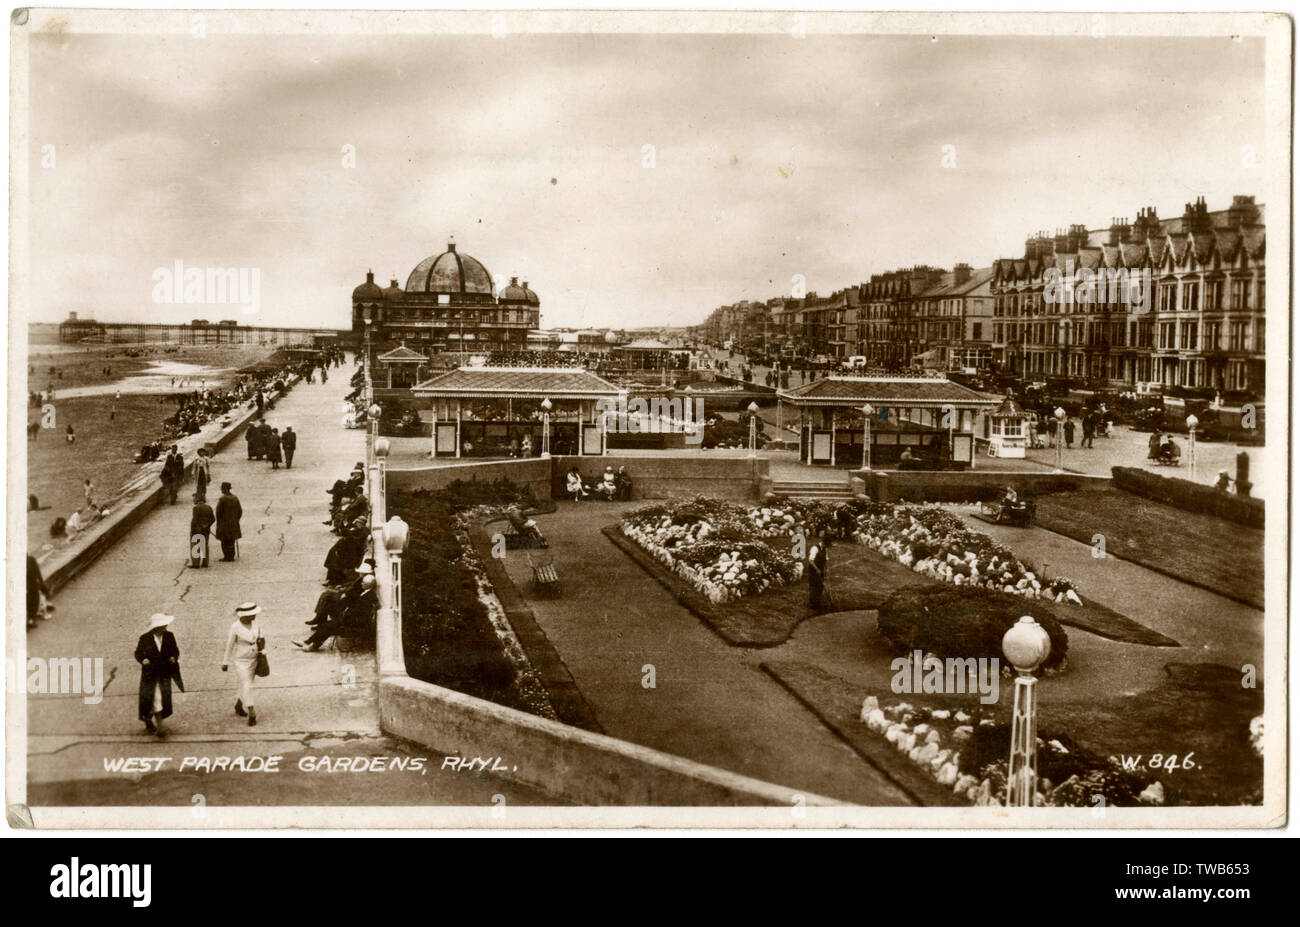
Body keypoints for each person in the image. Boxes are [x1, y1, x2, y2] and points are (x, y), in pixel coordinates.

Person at [294, 575, 378, 651]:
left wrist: (344, 620)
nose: (361, 584)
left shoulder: (367, 598)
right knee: (327, 624)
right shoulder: (367, 593)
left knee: (328, 626)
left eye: (364, 583)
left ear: (369, 585)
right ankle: (308, 642)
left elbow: (360, 617)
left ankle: (312, 646)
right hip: (350, 622)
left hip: (354, 626)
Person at [135, 613, 183, 737]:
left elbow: (175, 650)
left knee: (160, 698)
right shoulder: (145, 638)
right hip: (150, 674)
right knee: (155, 698)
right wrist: (143, 659)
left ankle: (149, 718)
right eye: (162, 625)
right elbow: (138, 653)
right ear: (155, 627)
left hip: (164, 673)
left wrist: (174, 657)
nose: (165, 627)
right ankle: (160, 727)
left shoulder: (169, 636)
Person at [221, 602, 263, 727]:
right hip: (241, 661)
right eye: (252, 614)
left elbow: (261, 638)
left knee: (247, 684)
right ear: (244, 615)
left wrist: (262, 653)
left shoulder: (256, 624)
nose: (254, 616)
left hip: (254, 658)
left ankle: (239, 704)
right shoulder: (235, 627)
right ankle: (252, 712)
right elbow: (230, 645)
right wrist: (225, 662)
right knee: (247, 685)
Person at [215, 482, 242, 561]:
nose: (221, 490)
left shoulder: (222, 499)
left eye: (222, 488)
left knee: (224, 540)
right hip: (234, 523)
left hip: (224, 523)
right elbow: (240, 511)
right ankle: (231, 555)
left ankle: (227, 556)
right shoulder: (235, 498)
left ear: (224, 489)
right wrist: (236, 519)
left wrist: (219, 522)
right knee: (232, 539)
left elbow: (218, 512)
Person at [807, 534, 832, 611]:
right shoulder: (815, 548)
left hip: (821, 569)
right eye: (826, 544)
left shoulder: (825, 549)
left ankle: (817, 602)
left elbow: (826, 560)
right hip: (813, 570)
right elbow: (810, 560)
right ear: (823, 542)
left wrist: (826, 569)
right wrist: (817, 569)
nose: (827, 546)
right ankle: (812, 604)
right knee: (814, 586)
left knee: (820, 586)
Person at [189, 496, 215, 568]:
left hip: (196, 530)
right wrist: (207, 526)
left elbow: (195, 520)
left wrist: (196, 528)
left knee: (196, 547)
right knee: (205, 545)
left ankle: (196, 564)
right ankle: (205, 563)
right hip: (206, 530)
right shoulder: (209, 508)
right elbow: (213, 519)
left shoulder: (196, 508)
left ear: (198, 499)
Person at [27, 555, 51, 629]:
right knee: (36, 597)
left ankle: (32, 617)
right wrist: (41, 582)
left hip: (28, 584)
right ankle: (34, 616)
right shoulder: (30, 559)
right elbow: (37, 573)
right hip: (31, 584)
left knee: (34, 598)